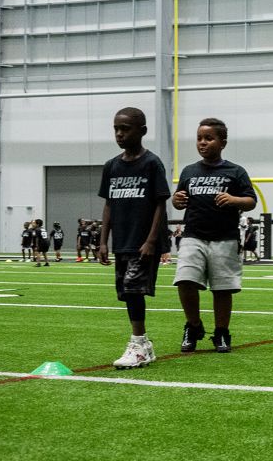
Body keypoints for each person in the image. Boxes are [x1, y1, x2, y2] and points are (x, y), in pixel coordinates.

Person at [171, 117, 256, 354]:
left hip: (225, 238)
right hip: (193, 235)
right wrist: (176, 200)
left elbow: (251, 201)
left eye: (209, 138)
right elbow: (179, 200)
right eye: (199, 138)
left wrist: (234, 200)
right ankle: (194, 325)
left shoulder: (235, 172)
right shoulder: (189, 171)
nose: (202, 142)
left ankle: (221, 332)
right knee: (185, 280)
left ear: (222, 142)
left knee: (222, 288)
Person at [98, 106, 171, 369]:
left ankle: (138, 344)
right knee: (126, 293)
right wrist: (103, 240)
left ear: (142, 131)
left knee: (133, 290)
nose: (119, 134)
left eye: (125, 129)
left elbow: (161, 203)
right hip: (122, 240)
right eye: (116, 128)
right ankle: (144, 344)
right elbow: (108, 204)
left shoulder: (151, 163)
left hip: (144, 241)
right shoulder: (112, 166)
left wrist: (152, 240)